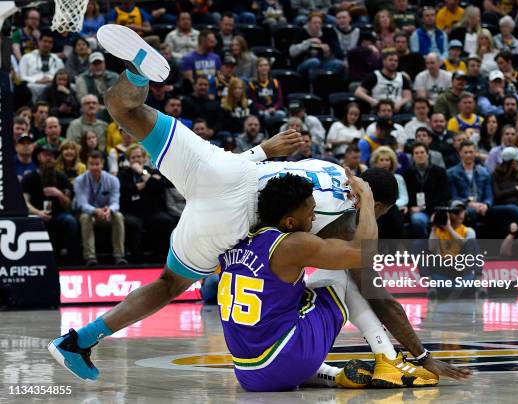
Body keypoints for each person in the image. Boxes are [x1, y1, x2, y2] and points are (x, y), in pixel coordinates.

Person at [50, 27, 471, 384]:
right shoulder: (346, 219)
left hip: (225, 167)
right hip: (227, 216)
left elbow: (272, 179)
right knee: (173, 286)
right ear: (375, 204)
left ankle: (137, 72)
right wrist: (420, 354)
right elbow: (379, 294)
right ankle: (387, 360)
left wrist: (260, 151)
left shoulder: (326, 166)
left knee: (124, 109)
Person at [219, 172, 428, 392]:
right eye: (310, 213)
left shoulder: (234, 241)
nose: (314, 218)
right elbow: (364, 253)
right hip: (287, 359)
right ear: (290, 222)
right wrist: (366, 197)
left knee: (288, 302)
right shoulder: (292, 244)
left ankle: (330, 375)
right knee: (340, 271)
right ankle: (388, 359)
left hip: (248, 376)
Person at [447, 140, 518, 237]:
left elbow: (489, 196)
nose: (469, 155)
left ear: (475, 153)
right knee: (471, 213)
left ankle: (516, 245)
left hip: (483, 208)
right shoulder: (451, 173)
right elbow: (453, 197)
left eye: (471, 152)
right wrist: (470, 204)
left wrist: (486, 205)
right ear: (460, 153)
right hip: (464, 207)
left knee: (513, 210)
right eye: (466, 152)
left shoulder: (484, 172)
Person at [21, 144, 80, 264]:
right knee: (31, 221)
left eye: (52, 155)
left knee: (71, 221)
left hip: (58, 214)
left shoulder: (62, 177)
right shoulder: (29, 178)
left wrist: (59, 194)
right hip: (37, 215)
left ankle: (74, 263)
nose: (49, 158)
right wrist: (38, 213)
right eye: (46, 155)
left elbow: (68, 205)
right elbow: (24, 202)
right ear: (38, 157)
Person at [119, 144, 174, 263]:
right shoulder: (124, 174)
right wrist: (147, 181)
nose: (136, 160)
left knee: (165, 220)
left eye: (139, 156)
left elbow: (158, 187)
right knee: (133, 224)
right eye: (133, 158)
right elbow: (125, 191)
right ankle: (137, 260)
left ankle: (162, 258)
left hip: (152, 211)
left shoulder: (153, 171)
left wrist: (141, 173)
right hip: (133, 211)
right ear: (129, 160)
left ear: (144, 158)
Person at [74, 150, 126, 266]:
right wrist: (95, 210)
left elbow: (115, 203)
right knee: (85, 217)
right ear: (87, 164)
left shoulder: (113, 180)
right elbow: (82, 204)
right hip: (90, 214)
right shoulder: (79, 181)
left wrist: (109, 210)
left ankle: (119, 256)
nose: (94, 167)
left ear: (102, 164)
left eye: (97, 164)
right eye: (91, 164)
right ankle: (90, 257)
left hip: (106, 215)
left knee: (118, 216)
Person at [426, 200, 482, 298]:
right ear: (449, 215)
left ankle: (479, 282)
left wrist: (449, 229)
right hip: (444, 267)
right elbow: (431, 249)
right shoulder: (438, 231)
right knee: (419, 244)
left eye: (462, 211)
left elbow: (466, 244)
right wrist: (434, 227)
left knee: (472, 242)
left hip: (461, 267)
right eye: (456, 212)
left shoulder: (468, 231)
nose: (460, 215)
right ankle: (431, 286)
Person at [404, 141, 451, 237]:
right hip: (416, 211)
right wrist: (410, 208)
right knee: (417, 220)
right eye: (416, 153)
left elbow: (444, 195)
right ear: (412, 156)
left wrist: (425, 207)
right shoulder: (407, 174)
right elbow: (406, 195)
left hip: (436, 209)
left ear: (427, 155)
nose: (420, 155)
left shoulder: (440, 172)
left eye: (422, 152)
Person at [289, 12, 344, 82]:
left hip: (322, 64)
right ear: (308, 23)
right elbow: (292, 52)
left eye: (319, 23)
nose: (317, 25)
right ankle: (313, 85)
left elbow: (333, 54)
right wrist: (308, 42)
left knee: (338, 63)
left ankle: (328, 84)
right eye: (314, 23)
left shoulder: (326, 33)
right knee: (314, 61)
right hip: (302, 64)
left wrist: (327, 53)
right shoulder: (301, 32)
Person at [355, 49, 412, 113]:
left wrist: (400, 103)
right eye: (390, 60)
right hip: (379, 110)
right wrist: (372, 101)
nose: (393, 63)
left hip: (396, 109)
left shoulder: (402, 77)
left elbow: (408, 97)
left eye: (396, 61)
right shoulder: (374, 76)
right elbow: (358, 92)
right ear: (384, 61)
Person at [18, 29, 64, 101]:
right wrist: (36, 80)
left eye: (50, 42)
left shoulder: (58, 60)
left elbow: (62, 76)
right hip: (33, 86)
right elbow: (21, 77)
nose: (47, 44)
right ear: (39, 42)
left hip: (52, 86)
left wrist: (53, 81)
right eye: (45, 41)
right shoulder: (26, 57)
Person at [370, 146, 409, 214]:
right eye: (381, 160)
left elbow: (404, 198)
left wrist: (388, 206)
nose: (385, 163)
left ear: (392, 163)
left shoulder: (398, 178)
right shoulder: (370, 178)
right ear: (375, 163)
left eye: (387, 160)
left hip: (393, 209)